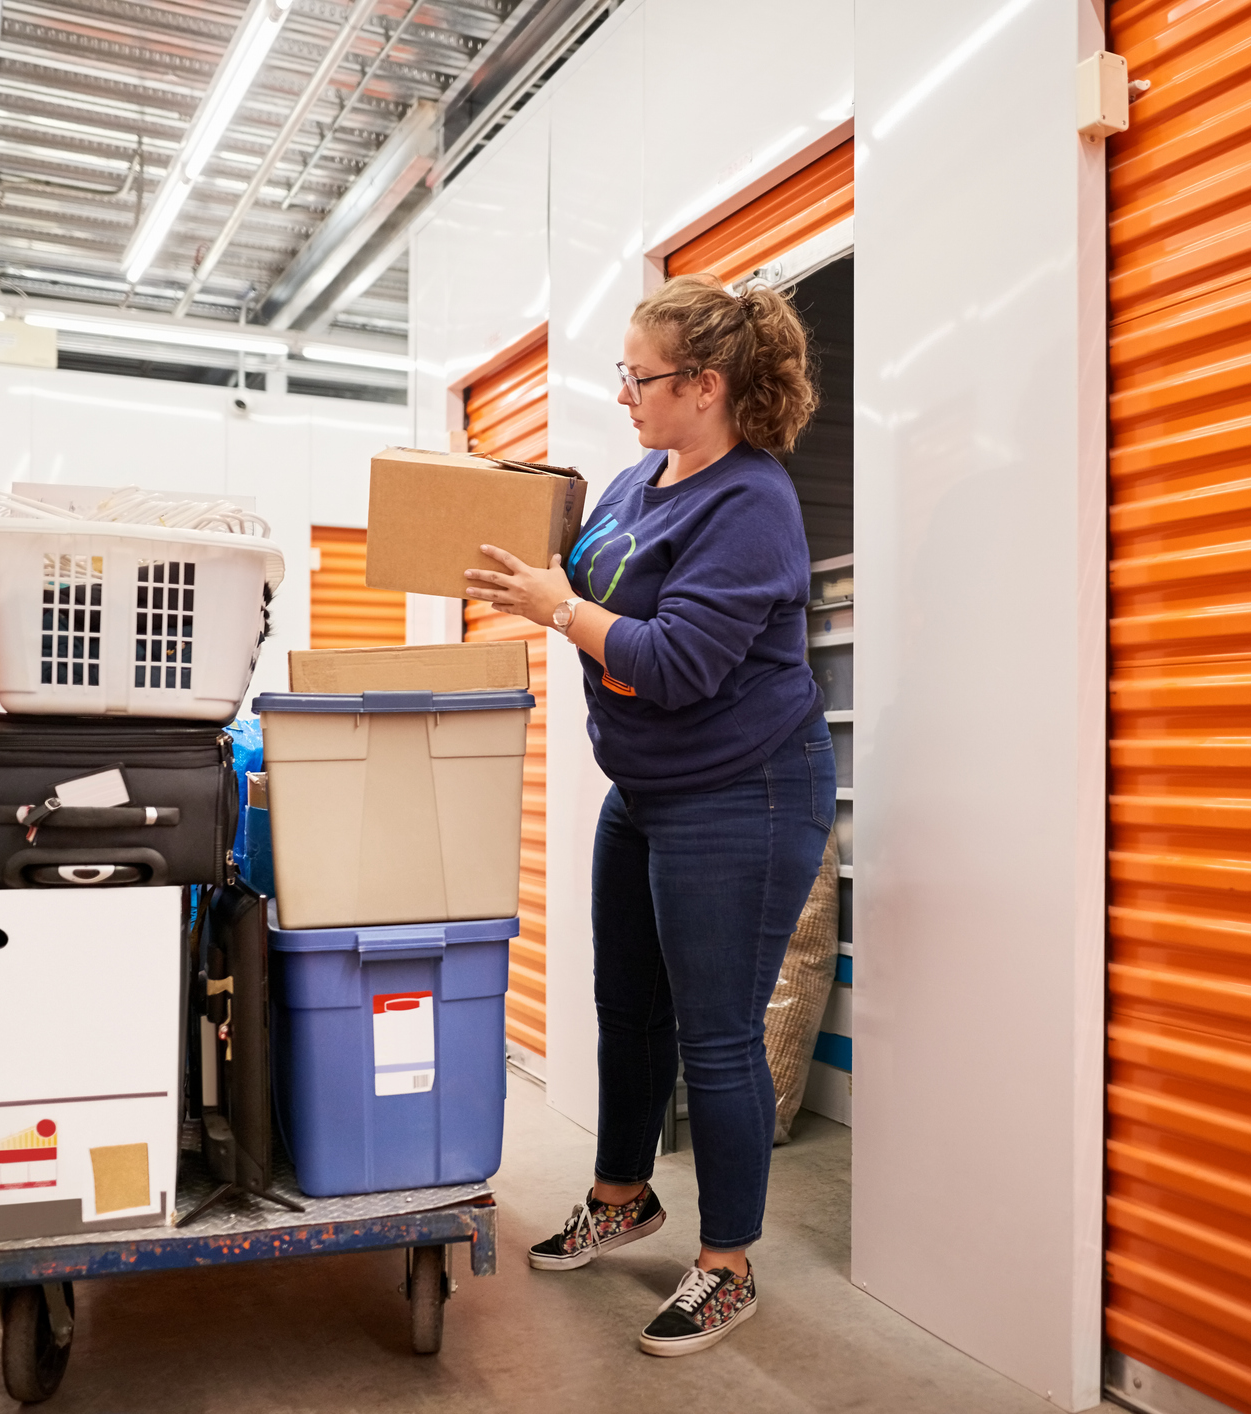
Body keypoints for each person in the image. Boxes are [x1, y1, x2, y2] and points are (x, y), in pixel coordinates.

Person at [462, 273, 833, 1356]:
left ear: (704, 386)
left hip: (745, 790)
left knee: (716, 1036)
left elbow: (671, 661)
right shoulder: (641, 476)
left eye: (640, 375)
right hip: (652, 786)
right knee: (625, 1008)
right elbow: (585, 573)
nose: (623, 391)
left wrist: (558, 607)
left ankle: (726, 1266)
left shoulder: (753, 506)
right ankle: (622, 1194)